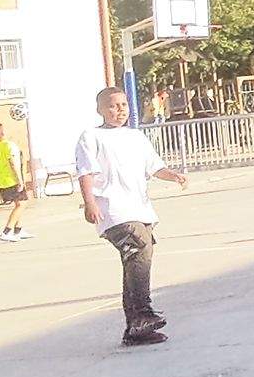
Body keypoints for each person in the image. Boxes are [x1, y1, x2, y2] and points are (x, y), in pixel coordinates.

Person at [74, 87, 189, 347]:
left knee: (135, 259)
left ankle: (136, 329)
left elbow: (154, 167)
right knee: (139, 245)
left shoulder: (136, 137)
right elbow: (85, 172)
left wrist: (174, 176)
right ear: (100, 110)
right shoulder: (91, 136)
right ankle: (143, 313)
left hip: (139, 208)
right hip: (112, 210)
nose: (119, 110)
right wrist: (89, 203)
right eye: (113, 106)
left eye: (124, 105)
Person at [0, 122, 34, 241]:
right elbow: (13, 163)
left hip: (2, 180)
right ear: (3, 132)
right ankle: (7, 231)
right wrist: (20, 180)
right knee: (22, 204)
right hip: (12, 180)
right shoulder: (9, 145)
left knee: (18, 203)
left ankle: (18, 230)